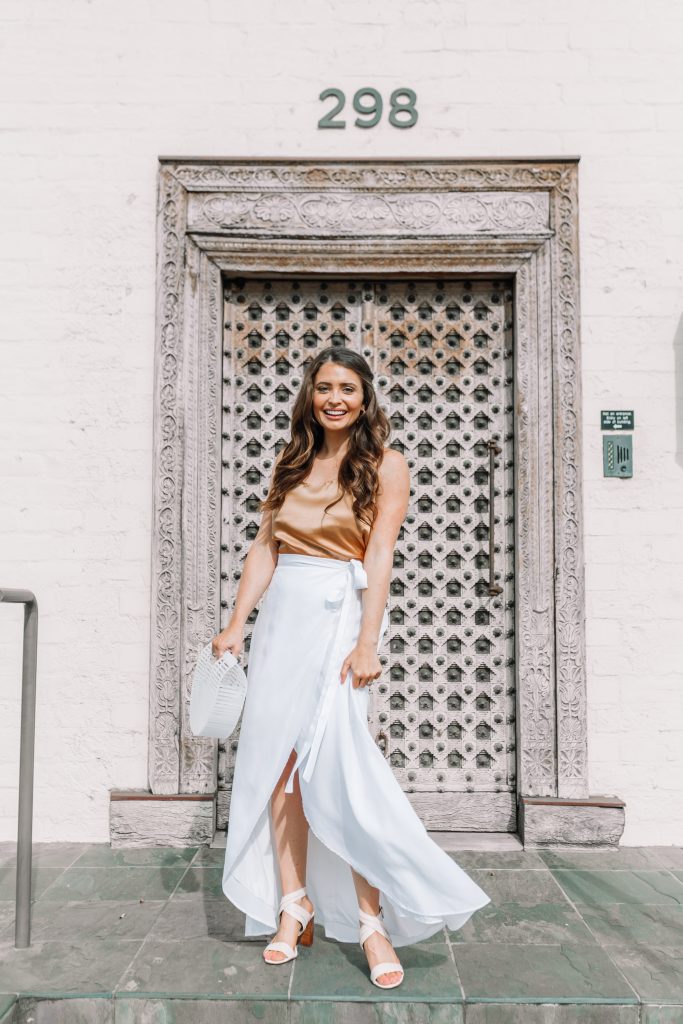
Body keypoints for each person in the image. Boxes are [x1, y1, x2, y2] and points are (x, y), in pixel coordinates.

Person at [212, 346, 491, 990]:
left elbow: (382, 552)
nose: (334, 398)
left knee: (340, 768)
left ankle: (372, 921)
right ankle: (293, 905)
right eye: (323, 388)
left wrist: (368, 642)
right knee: (281, 768)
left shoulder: (386, 465)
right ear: (310, 396)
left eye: (347, 388)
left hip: (341, 617)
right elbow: (265, 548)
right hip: (284, 618)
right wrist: (234, 626)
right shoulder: (291, 460)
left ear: (365, 398)